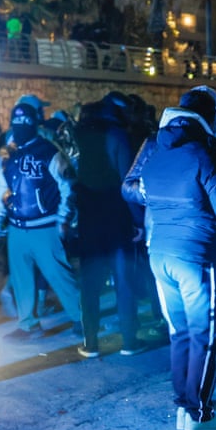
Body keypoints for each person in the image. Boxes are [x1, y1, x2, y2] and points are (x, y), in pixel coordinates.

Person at [121, 86, 216, 430]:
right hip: (200, 259)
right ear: (208, 118)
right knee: (208, 336)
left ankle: (184, 407)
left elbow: (136, 190)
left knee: (183, 335)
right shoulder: (204, 155)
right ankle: (199, 417)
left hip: (161, 257)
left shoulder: (156, 153)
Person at [0, 103, 83, 340]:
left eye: (25, 123)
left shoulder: (49, 152)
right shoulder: (7, 154)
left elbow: (68, 187)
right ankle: (28, 324)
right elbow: (2, 186)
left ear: (34, 125)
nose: (20, 128)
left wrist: (63, 220)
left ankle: (82, 318)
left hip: (46, 226)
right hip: (17, 227)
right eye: (16, 123)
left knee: (59, 275)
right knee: (21, 279)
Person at [72, 97, 143, 358]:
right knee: (123, 280)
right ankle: (129, 341)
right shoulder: (117, 135)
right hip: (116, 215)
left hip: (89, 216)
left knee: (89, 283)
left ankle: (90, 343)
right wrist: (138, 219)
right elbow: (127, 181)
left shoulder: (78, 137)